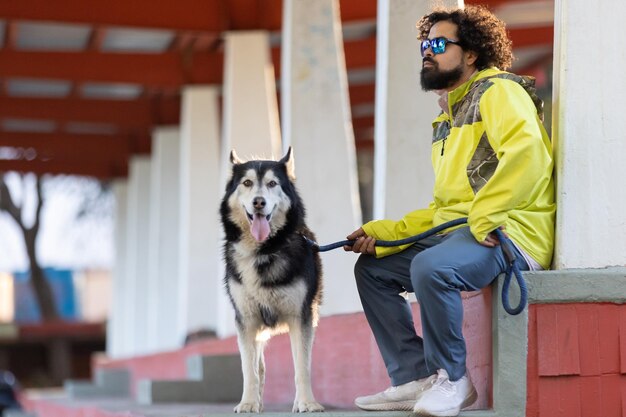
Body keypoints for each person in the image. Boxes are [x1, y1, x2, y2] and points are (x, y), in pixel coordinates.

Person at [344, 5, 555, 417]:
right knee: (373, 271)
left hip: (511, 232)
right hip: (469, 231)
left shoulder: (498, 91)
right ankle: (411, 377)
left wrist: (485, 217)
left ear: (472, 53)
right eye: (425, 44)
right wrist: (383, 234)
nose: (428, 51)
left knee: (431, 267)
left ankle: (453, 379)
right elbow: (445, 208)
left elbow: (528, 156)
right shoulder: (448, 118)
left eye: (438, 44)